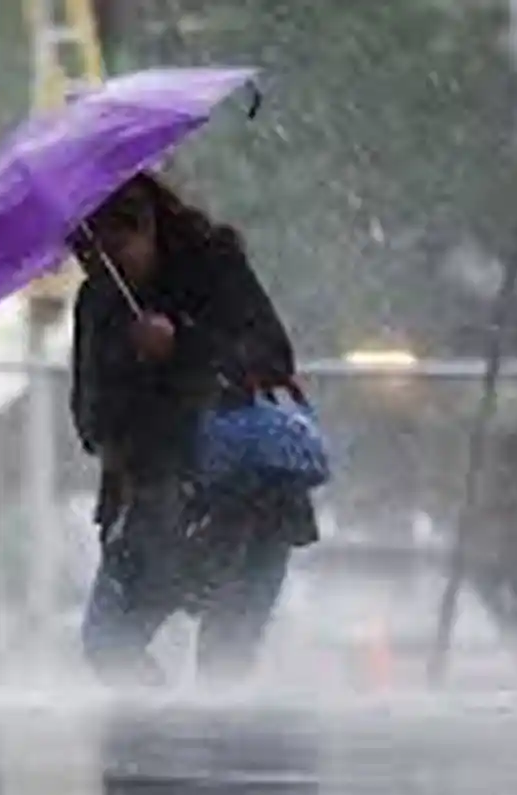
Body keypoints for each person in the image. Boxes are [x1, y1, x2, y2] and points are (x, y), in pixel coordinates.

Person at [68, 172, 317, 686]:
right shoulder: (98, 303)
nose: (100, 269)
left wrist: (181, 345)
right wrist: (130, 373)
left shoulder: (213, 267)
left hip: (248, 496)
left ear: (147, 227)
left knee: (225, 660)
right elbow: (90, 417)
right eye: (87, 257)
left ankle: (205, 754)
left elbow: (271, 356)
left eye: (114, 252)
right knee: (108, 643)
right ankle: (158, 743)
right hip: (156, 495)